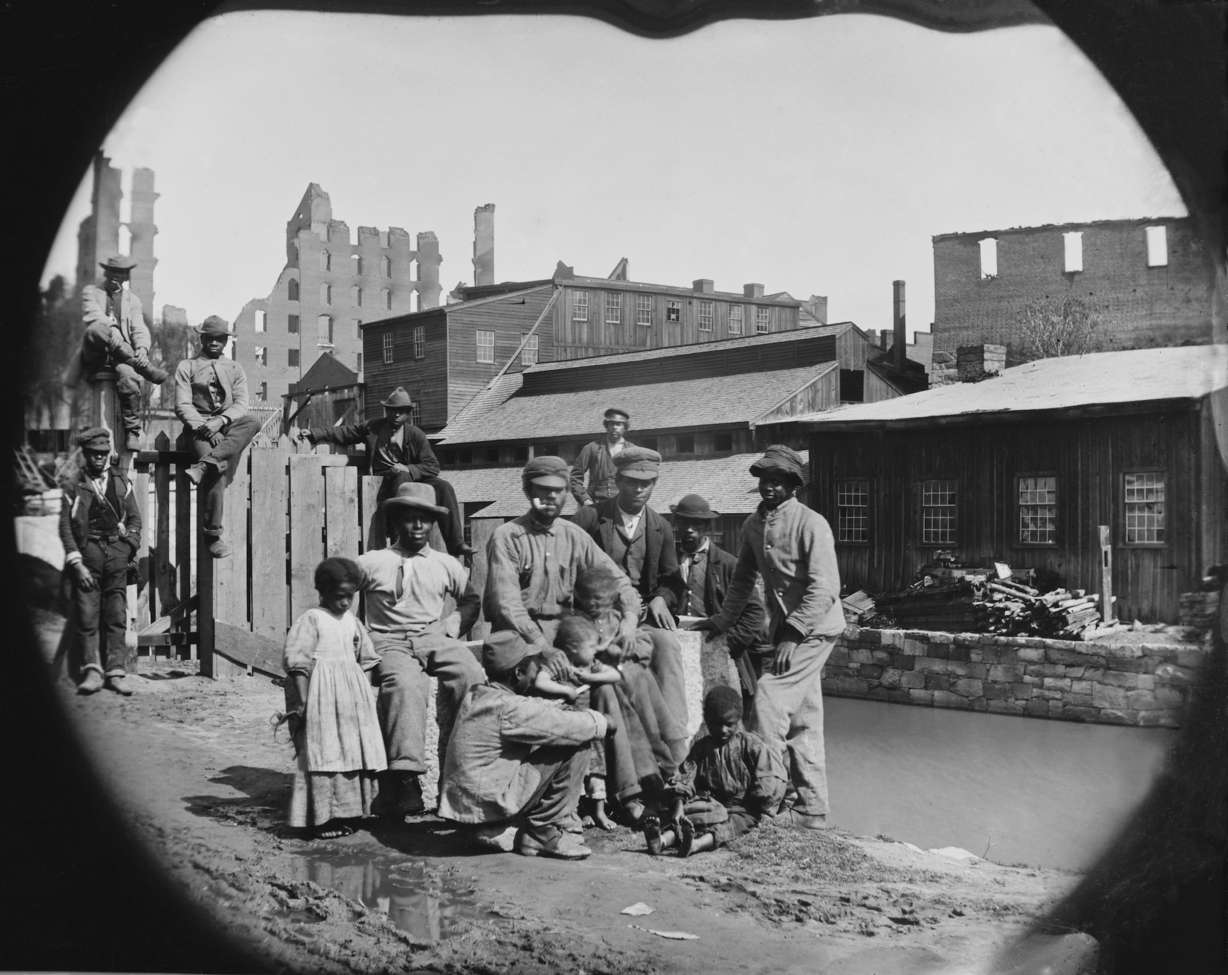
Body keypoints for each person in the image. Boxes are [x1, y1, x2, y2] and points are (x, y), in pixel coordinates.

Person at [690, 445, 845, 830]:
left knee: (770, 700)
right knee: (804, 719)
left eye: (779, 482)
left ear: (793, 486)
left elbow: (825, 587)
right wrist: (721, 620)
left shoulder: (812, 524)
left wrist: (792, 635)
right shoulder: (752, 525)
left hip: (815, 628)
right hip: (788, 632)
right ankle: (812, 809)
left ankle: (769, 802)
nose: (770, 488)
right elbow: (743, 580)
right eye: (765, 481)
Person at [357, 482, 483, 822]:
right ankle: (406, 778)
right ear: (396, 522)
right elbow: (344, 600)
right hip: (388, 639)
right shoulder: (372, 561)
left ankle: (460, 774)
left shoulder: (445, 564)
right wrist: (357, 640)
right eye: (410, 519)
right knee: (406, 685)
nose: (417, 527)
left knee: (471, 676)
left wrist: (453, 622)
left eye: (425, 520)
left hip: (432, 636)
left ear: (433, 525)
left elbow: (472, 601)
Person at [437, 630, 616, 860]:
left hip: (469, 808)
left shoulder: (480, 694)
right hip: (488, 806)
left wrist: (563, 708)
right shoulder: (508, 708)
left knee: (565, 728)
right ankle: (541, 831)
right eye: (535, 667)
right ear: (519, 673)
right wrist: (601, 722)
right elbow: (559, 725)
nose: (537, 672)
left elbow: (533, 709)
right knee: (576, 738)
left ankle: (522, 827)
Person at [573, 446, 688, 729]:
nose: (638, 489)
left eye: (645, 483)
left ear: (654, 485)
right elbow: (569, 567)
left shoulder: (660, 526)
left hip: (643, 615)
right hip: (596, 615)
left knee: (668, 646)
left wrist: (662, 598)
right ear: (618, 480)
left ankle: (676, 736)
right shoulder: (590, 518)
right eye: (631, 481)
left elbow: (672, 579)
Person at [300, 387, 473, 558]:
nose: (396, 415)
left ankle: (456, 544)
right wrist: (315, 433)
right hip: (382, 481)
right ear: (386, 411)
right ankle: (400, 537)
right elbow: (345, 432)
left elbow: (432, 466)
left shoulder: (415, 435)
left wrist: (409, 469)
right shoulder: (373, 428)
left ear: (407, 413)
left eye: (400, 412)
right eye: (392, 411)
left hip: (410, 478)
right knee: (401, 477)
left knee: (444, 486)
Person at [282, 557, 387, 840]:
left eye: (350, 597)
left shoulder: (352, 621)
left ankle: (351, 813)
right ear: (322, 592)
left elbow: (365, 658)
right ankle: (322, 818)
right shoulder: (312, 619)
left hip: (352, 696)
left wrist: (365, 698)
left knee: (352, 751)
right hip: (322, 695)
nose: (344, 603)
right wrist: (303, 702)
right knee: (325, 752)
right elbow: (298, 663)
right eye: (338, 596)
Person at [642, 686, 787, 857]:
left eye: (729, 724)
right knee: (690, 817)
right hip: (711, 803)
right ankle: (661, 841)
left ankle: (696, 845)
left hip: (742, 807)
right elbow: (686, 776)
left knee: (735, 824)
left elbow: (768, 777)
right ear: (708, 722)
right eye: (717, 724)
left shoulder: (751, 745)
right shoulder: (702, 748)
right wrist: (679, 806)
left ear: (738, 720)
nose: (723, 730)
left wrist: (761, 807)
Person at [58, 427, 142, 696]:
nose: (99, 459)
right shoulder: (74, 484)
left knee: (116, 615)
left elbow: (135, 520)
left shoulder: (120, 480)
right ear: (85, 454)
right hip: (88, 555)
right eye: (94, 454)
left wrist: (128, 545)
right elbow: (65, 528)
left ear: (108, 454)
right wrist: (77, 564)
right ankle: (92, 670)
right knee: (86, 614)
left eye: (103, 454)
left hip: (116, 555)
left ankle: (116, 671)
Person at [172, 315, 262, 558]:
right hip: (197, 429)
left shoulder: (235, 368)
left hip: (226, 425)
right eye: (209, 338)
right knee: (218, 469)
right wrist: (204, 426)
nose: (214, 342)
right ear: (202, 338)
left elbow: (242, 403)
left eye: (219, 338)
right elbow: (182, 405)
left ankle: (204, 464)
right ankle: (212, 535)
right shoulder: (186, 367)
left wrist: (221, 421)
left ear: (226, 341)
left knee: (253, 421)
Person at [668, 493, 769, 710]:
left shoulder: (728, 564)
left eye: (696, 524)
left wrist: (729, 643)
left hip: (719, 648)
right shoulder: (668, 562)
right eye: (684, 522)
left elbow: (755, 613)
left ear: (706, 527)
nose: (689, 529)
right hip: (678, 653)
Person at [66, 255, 170, 453]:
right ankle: (143, 367)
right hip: (96, 352)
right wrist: (115, 334)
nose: (115, 277)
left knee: (129, 376)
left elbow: (139, 328)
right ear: (106, 272)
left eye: (120, 273)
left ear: (126, 276)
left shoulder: (133, 300)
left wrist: (141, 349)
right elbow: (93, 316)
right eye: (112, 272)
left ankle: (132, 430)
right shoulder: (91, 292)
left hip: (119, 358)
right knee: (98, 329)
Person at [533, 613, 623, 831]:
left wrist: (591, 678)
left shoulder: (589, 665)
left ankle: (599, 812)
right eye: (591, 646)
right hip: (567, 728)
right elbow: (540, 681)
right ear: (573, 648)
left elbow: (614, 675)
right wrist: (565, 689)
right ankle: (574, 811)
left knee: (596, 767)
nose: (596, 651)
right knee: (574, 771)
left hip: (589, 727)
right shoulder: (559, 661)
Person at [568, 407, 636, 507]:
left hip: (624, 505)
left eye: (618, 424)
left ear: (625, 427)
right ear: (606, 426)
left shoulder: (633, 450)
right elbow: (575, 477)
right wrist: (585, 499)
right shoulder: (592, 448)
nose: (614, 427)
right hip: (595, 504)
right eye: (611, 424)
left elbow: (640, 479)